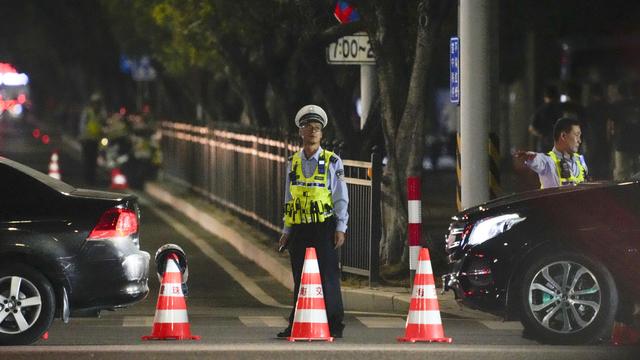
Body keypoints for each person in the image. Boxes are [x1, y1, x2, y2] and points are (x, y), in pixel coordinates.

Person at [277, 105, 349, 339]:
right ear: (301, 132)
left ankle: (334, 324)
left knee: (328, 275)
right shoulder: (293, 161)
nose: (313, 131)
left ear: (322, 134)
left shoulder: (332, 161)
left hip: (323, 226)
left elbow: (340, 197)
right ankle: (296, 322)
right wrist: (286, 230)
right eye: (309, 127)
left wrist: (340, 227)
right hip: (299, 227)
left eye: (317, 128)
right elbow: (289, 197)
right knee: (300, 277)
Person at [514, 117, 587, 188]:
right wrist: (529, 157)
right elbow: (538, 160)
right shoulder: (548, 161)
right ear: (563, 136)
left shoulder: (580, 160)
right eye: (577, 135)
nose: (579, 141)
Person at [608, 81, 640, 181]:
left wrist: (610, 139)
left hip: (622, 142)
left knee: (621, 173)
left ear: (619, 92)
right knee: (637, 171)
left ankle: (622, 194)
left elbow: (611, 125)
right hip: (637, 141)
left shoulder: (616, 105)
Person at [78, 92, 106, 184]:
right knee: (87, 159)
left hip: (95, 140)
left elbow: (103, 125)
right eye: (95, 103)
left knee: (94, 159)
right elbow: (82, 125)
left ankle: (92, 178)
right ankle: (87, 178)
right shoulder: (87, 112)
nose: (96, 105)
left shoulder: (101, 114)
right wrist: (82, 136)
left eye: (98, 103)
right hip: (87, 140)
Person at [529, 85, 563, 152]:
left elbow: (531, 128)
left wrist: (541, 135)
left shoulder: (540, 110)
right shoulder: (559, 111)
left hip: (543, 143)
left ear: (545, 97)